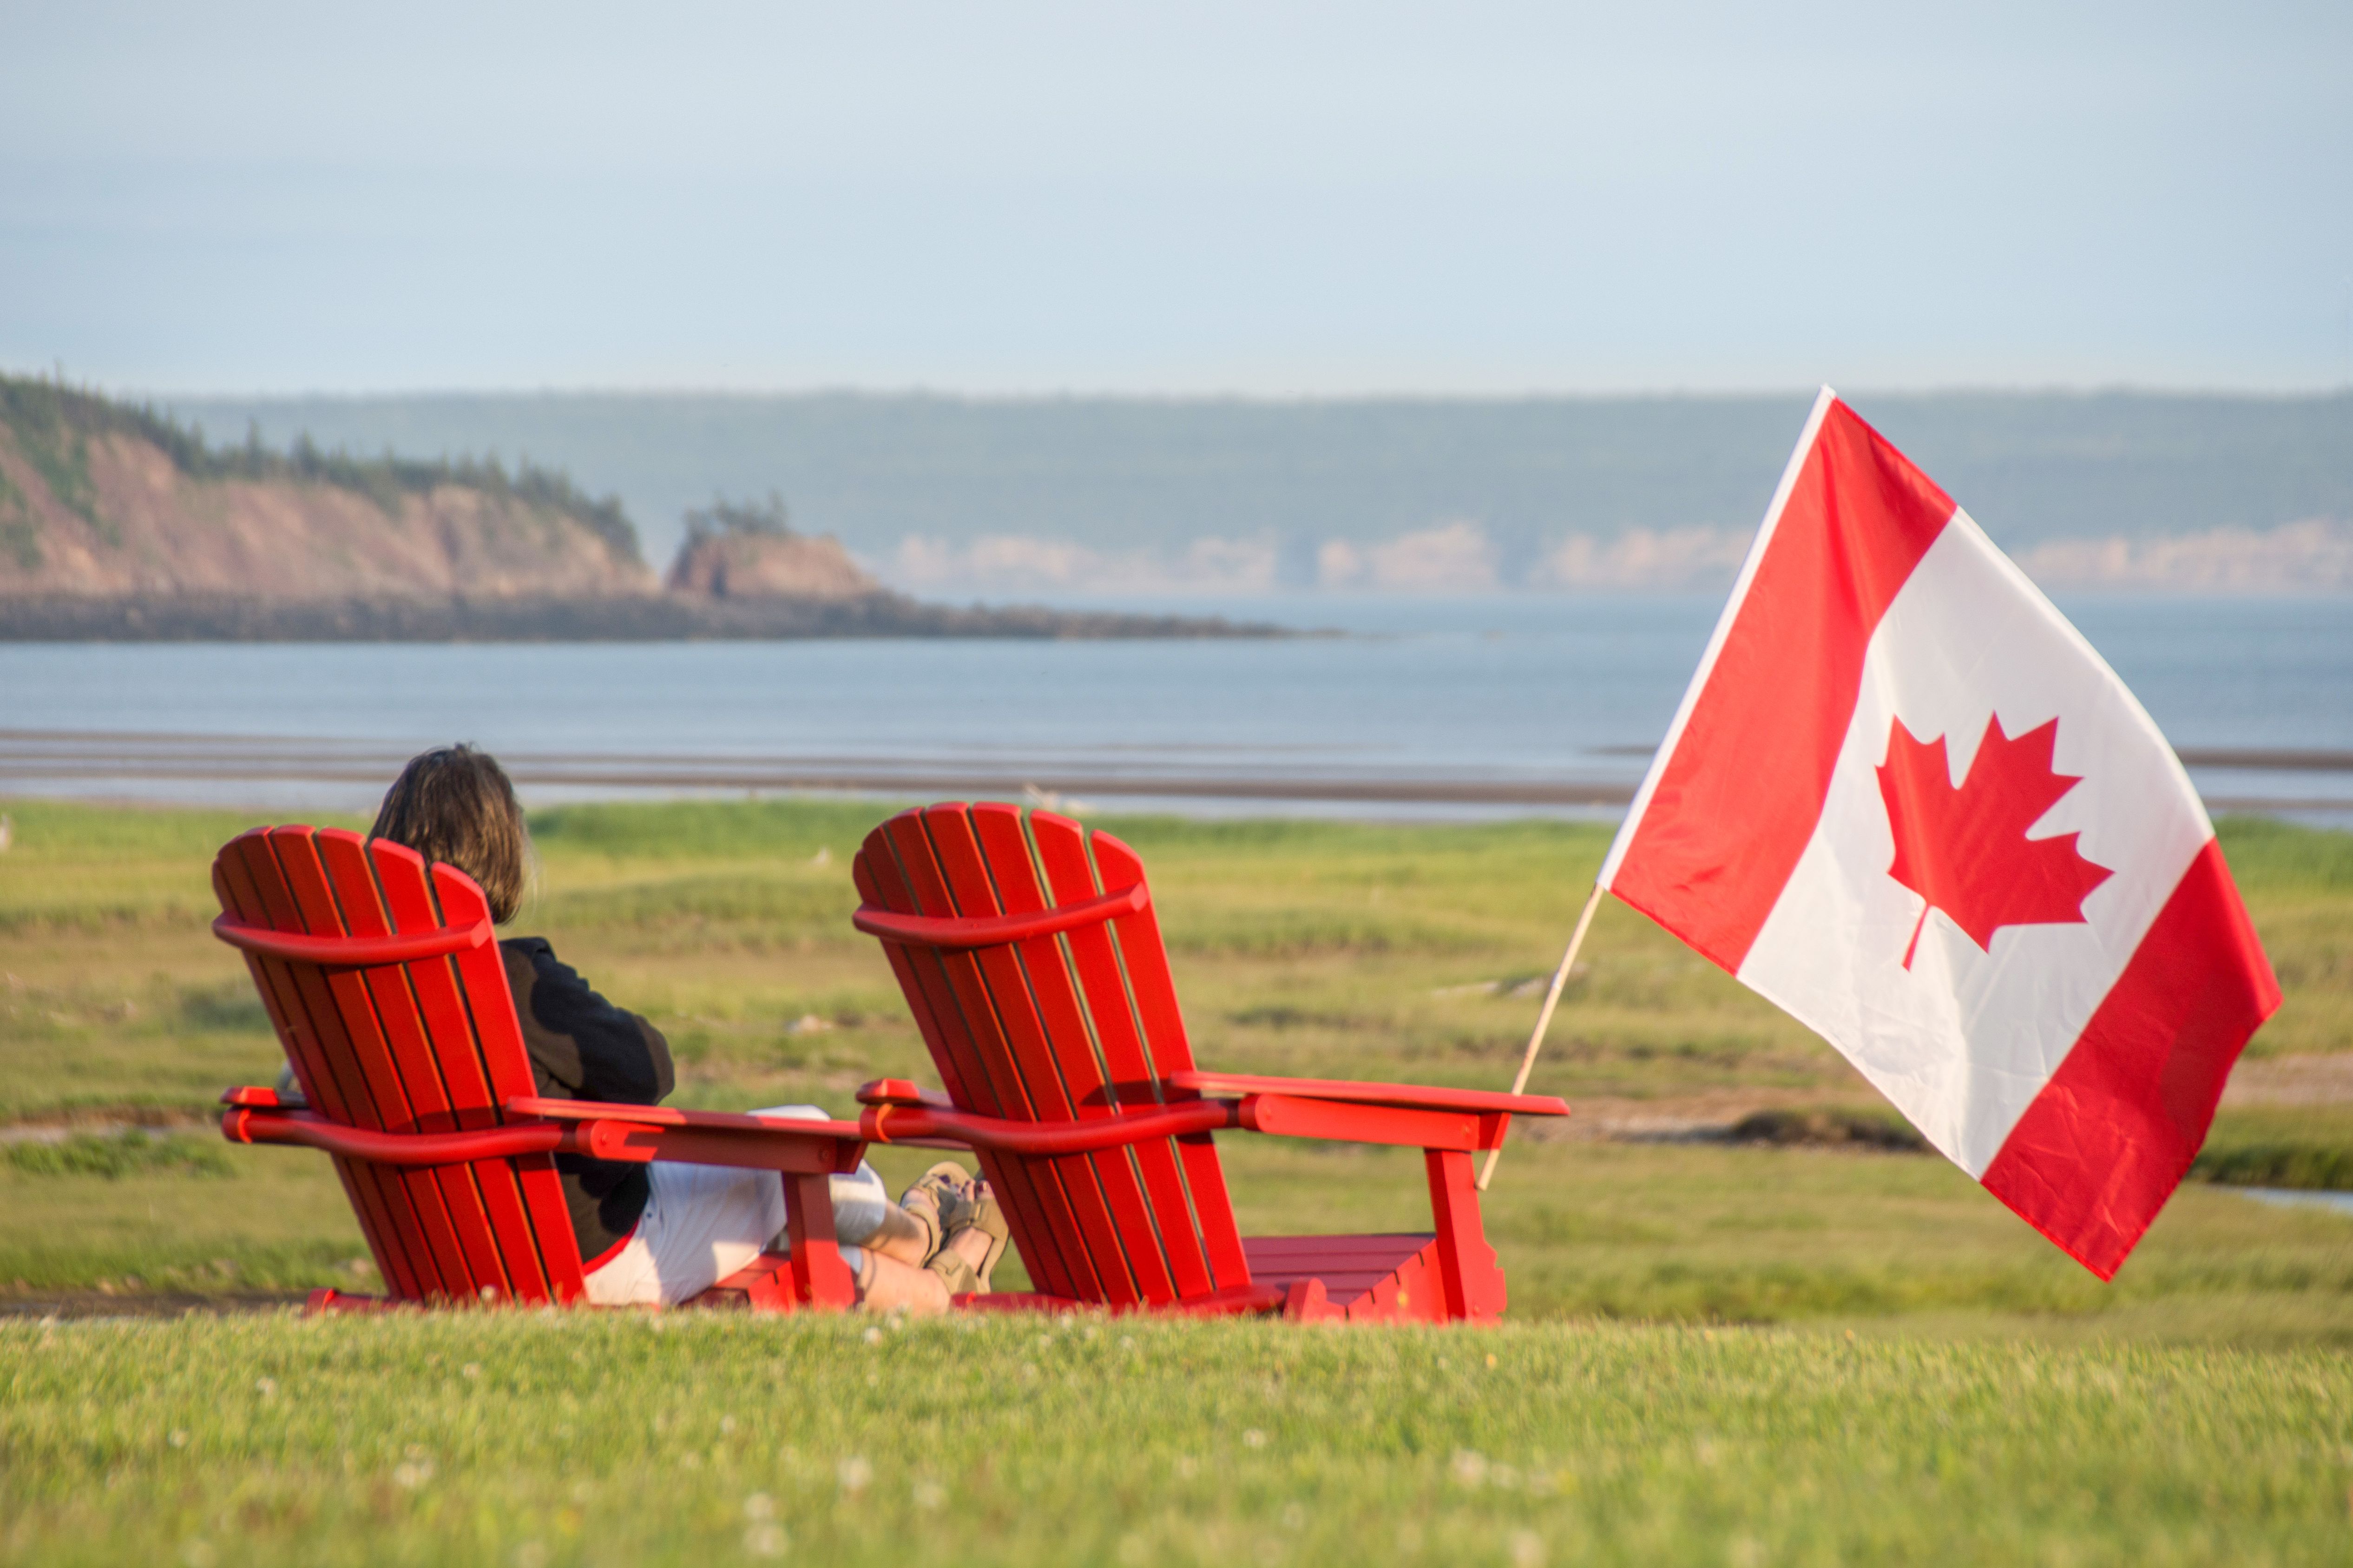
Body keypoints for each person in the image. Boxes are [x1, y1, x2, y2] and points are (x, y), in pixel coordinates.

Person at [364, 744, 1006, 1312]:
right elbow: (649, 1071)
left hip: (441, 1257)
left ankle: (925, 1243)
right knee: (803, 1144)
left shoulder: (357, 998)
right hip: (586, 1261)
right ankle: (932, 1259)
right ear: (499, 854)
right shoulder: (516, 984)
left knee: (798, 1208)